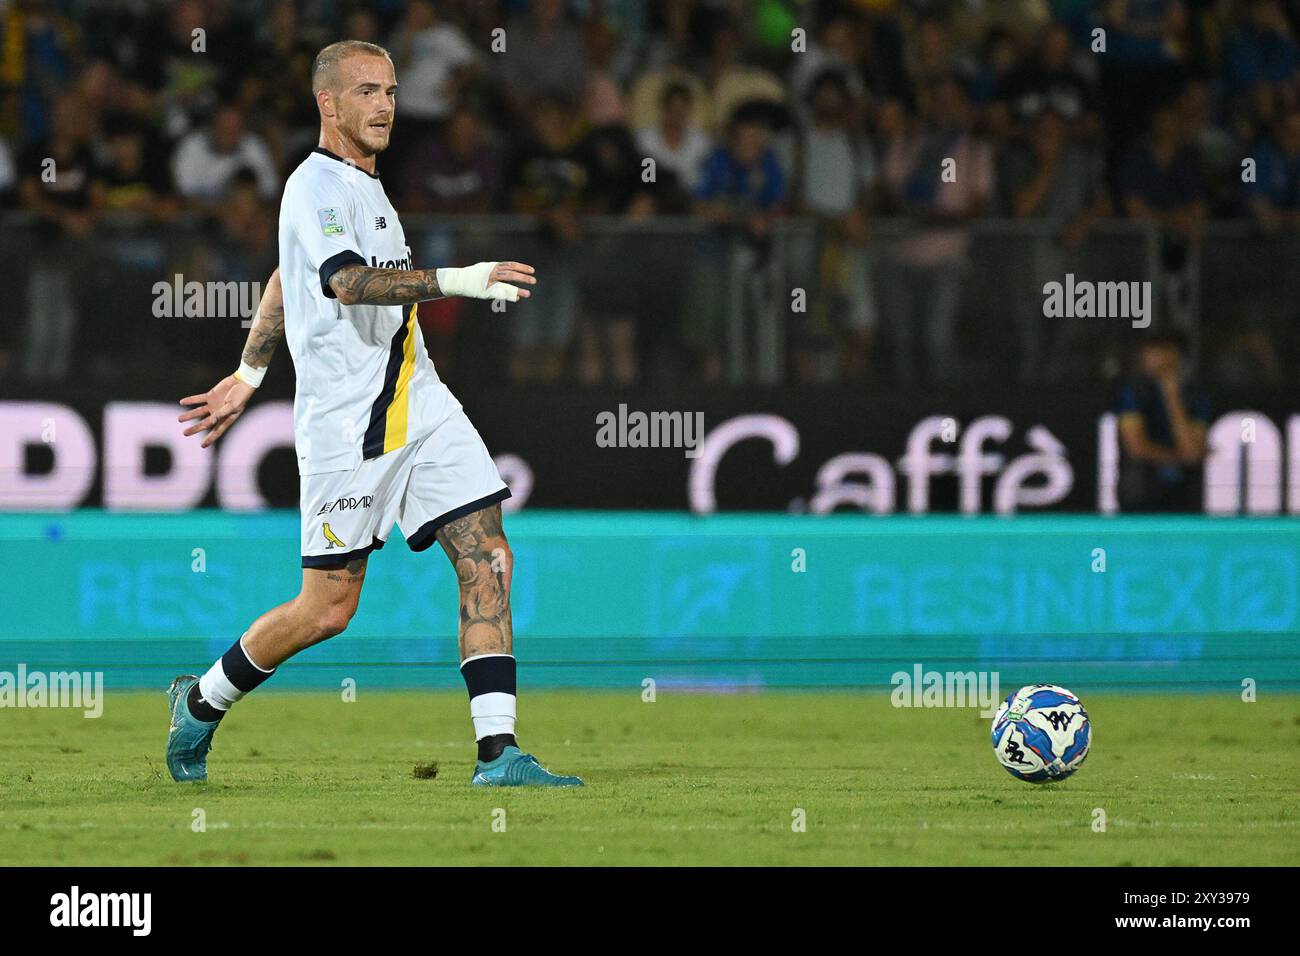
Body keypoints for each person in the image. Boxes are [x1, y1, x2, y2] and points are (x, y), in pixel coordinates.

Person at [169, 41, 582, 788]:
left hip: (419, 399)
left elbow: (283, 276)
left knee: (488, 554)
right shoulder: (314, 184)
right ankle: (200, 700)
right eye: (367, 92)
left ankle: (499, 754)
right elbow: (346, 284)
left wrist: (247, 369)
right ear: (329, 106)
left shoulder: (366, 185)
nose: (386, 105)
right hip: (348, 426)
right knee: (328, 609)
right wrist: (461, 278)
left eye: (391, 90)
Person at [1116, 331, 1209, 512]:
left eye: (1165, 352)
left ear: (1179, 356)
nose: (1159, 359)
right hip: (1140, 491)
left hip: (1185, 494)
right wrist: (1180, 458)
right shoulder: (1132, 393)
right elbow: (1136, 447)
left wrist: (1171, 394)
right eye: (1153, 352)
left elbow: (1192, 450)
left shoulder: (1196, 396)